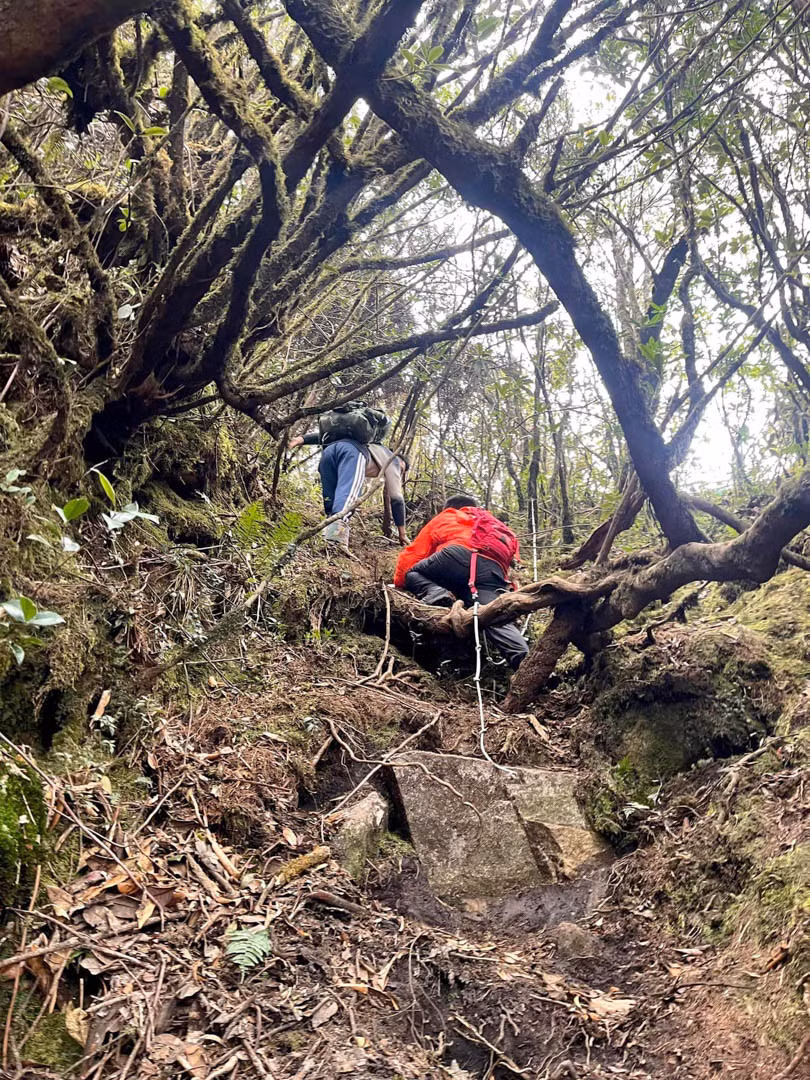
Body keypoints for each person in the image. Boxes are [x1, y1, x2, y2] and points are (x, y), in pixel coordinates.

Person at [394, 494, 529, 671]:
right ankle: (527, 663)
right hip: (491, 571)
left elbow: (414, 554)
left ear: (450, 508)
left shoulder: (448, 516)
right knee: (494, 616)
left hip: (456, 557)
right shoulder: (491, 524)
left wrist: (400, 582)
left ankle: (437, 594)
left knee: (413, 573)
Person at [289, 420, 408, 552]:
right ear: (402, 463)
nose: (401, 473)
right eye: (403, 470)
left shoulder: (373, 446)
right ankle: (335, 545)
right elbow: (397, 499)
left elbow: (328, 436)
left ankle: (327, 539)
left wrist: (301, 439)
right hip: (353, 454)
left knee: (331, 501)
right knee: (347, 500)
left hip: (329, 451)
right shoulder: (394, 461)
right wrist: (402, 534)